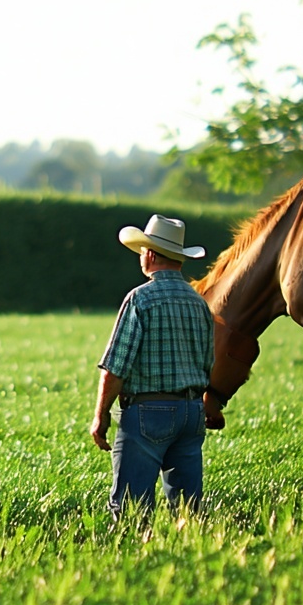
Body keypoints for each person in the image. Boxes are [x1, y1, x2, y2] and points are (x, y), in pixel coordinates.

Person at [90, 214, 215, 522]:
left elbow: (115, 367)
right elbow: (208, 361)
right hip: (191, 412)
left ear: (150, 254)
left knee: (132, 510)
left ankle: (134, 558)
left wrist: (101, 413)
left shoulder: (139, 299)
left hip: (148, 413)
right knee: (188, 510)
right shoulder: (198, 303)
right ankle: (191, 557)